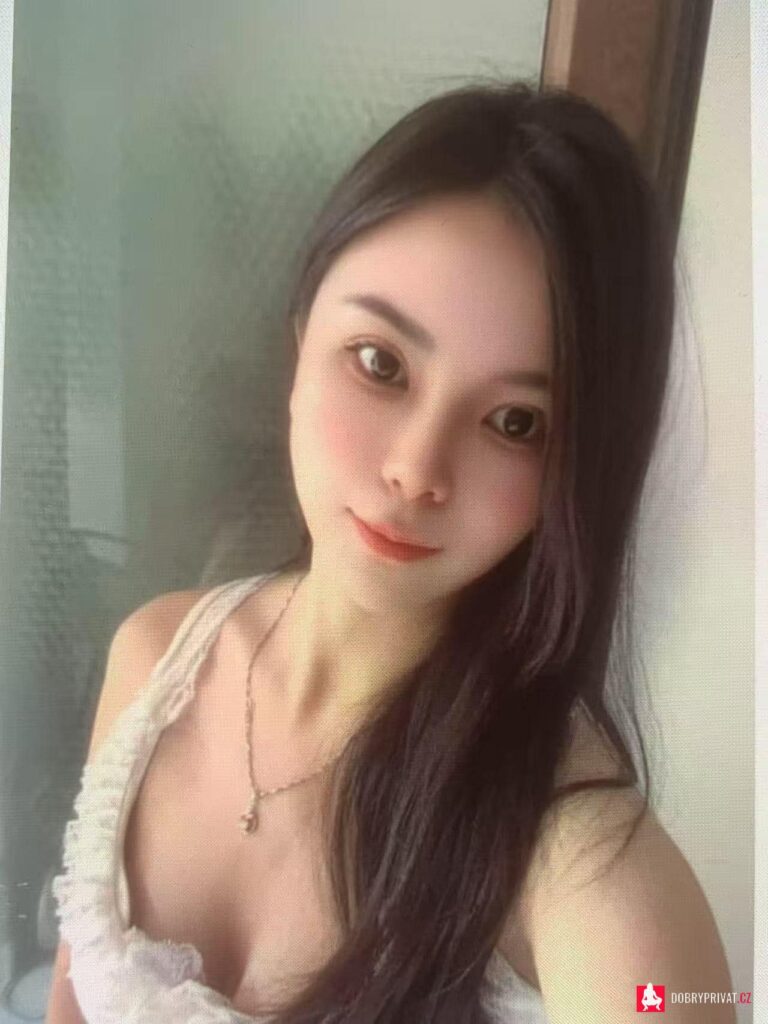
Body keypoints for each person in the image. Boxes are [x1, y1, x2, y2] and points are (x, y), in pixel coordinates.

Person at [46, 80, 735, 1023]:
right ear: (301, 344)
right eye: (381, 363)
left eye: (516, 422)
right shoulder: (154, 656)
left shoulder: (572, 853)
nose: (417, 470)